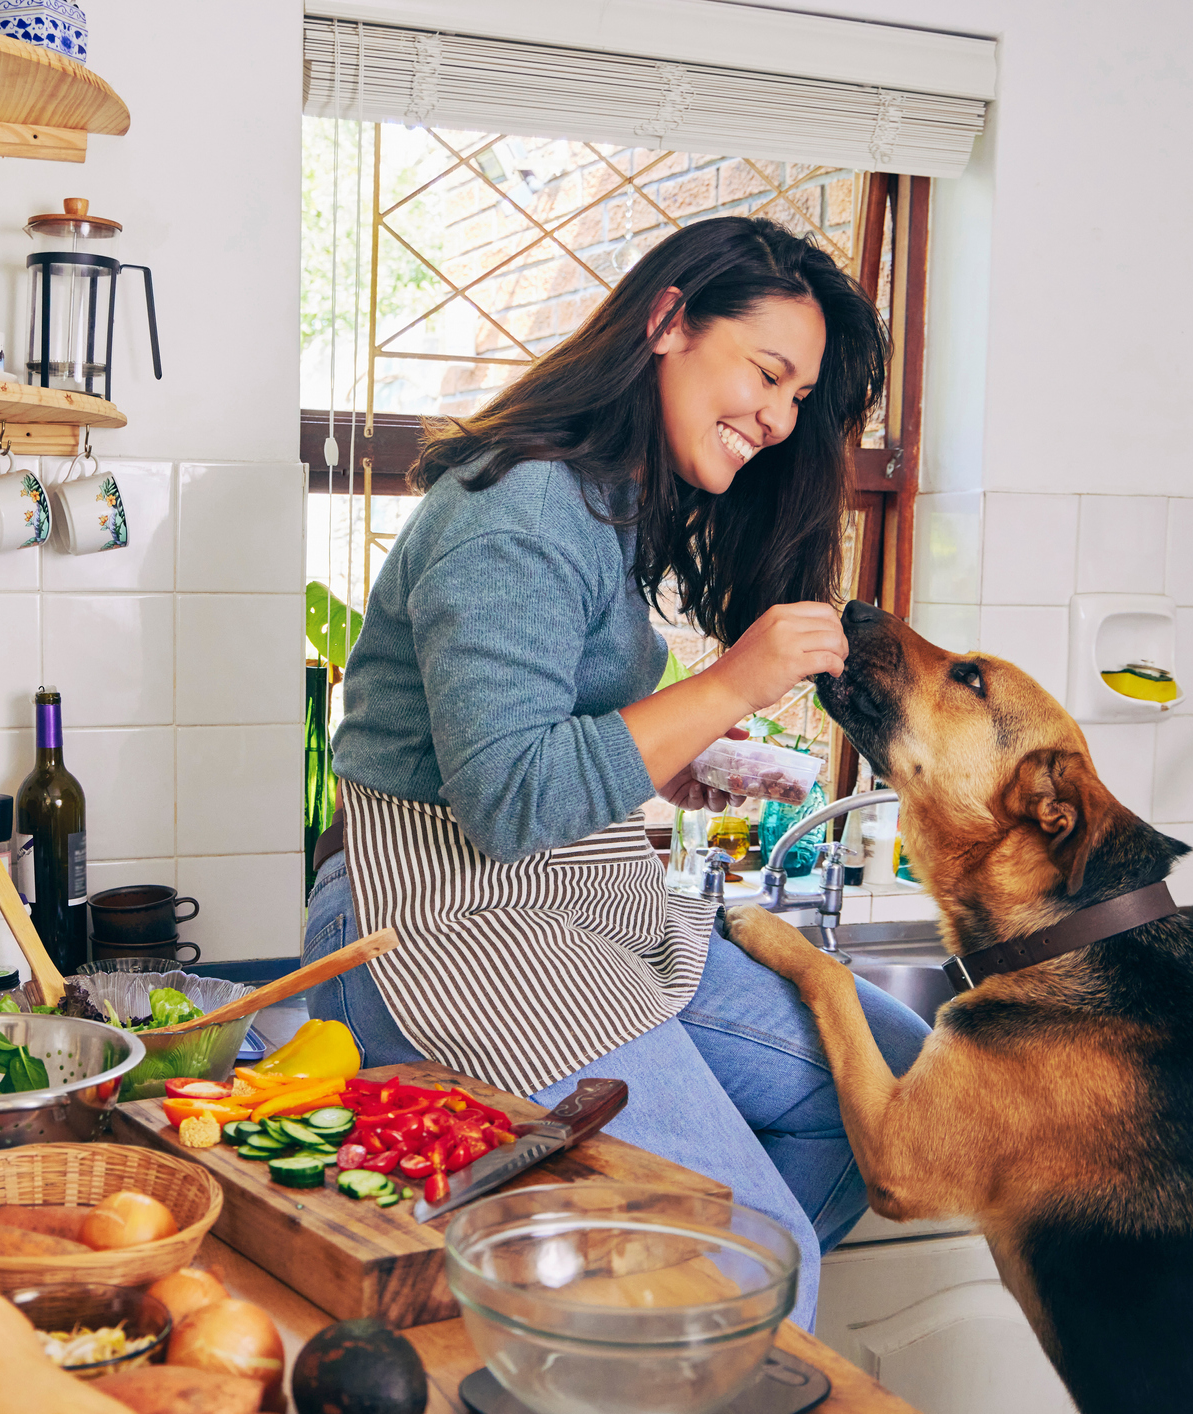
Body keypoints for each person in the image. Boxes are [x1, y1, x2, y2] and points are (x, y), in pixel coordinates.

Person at [302, 214, 929, 1329]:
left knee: (893, 1084)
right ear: (668, 321)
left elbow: (558, 728)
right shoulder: (522, 505)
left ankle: (629, 1324)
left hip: (570, 903)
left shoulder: (604, 500)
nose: (780, 421)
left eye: (797, 400)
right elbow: (509, 799)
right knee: (753, 1261)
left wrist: (692, 757)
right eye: (769, 374)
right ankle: (645, 1323)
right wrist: (732, 683)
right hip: (444, 926)